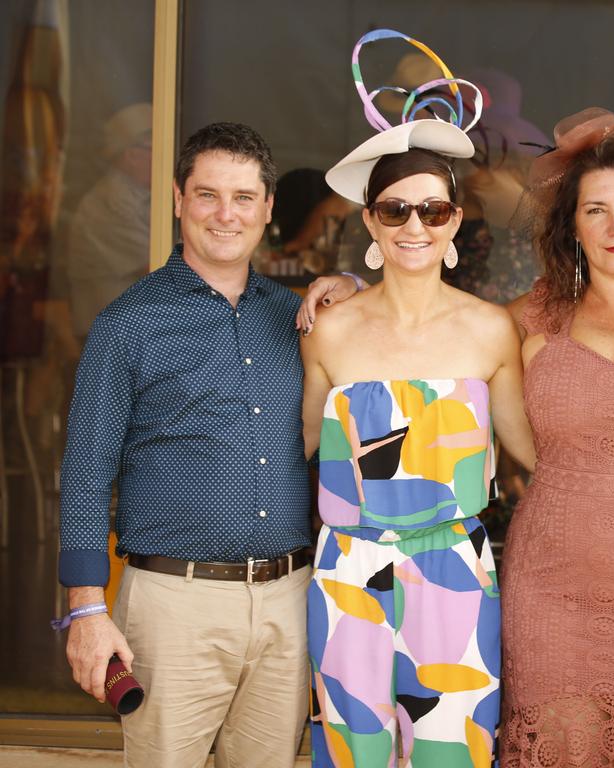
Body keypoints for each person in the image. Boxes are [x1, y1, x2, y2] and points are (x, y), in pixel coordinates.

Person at [299, 106, 614, 767]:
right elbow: (414, 343)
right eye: (594, 210)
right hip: (533, 584)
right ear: (571, 226)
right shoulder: (530, 318)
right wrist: (351, 291)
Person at [301, 30, 536, 767]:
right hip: (347, 578)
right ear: (369, 220)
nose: (415, 226)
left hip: (456, 578)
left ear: (456, 223)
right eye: (396, 209)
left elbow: (533, 456)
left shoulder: (491, 330)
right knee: (353, 753)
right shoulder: (329, 330)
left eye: (434, 211)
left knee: (452, 757)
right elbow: (296, 449)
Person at [59, 122, 312, 767]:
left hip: (289, 600)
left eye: (244, 197)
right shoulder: (128, 323)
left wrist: (349, 284)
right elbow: (86, 473)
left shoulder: (297, 317)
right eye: (207, 195)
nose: (226, 215)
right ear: (178, 200)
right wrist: (85, 611)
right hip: (175, 607)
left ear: (267, 208)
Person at [66, 103, 153, 341]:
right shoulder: (109, 204)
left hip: (129, 335)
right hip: (110, 341)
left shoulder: (139, 197)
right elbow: (156, 267)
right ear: (132, 155)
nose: (169, 158)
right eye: (156, 149)